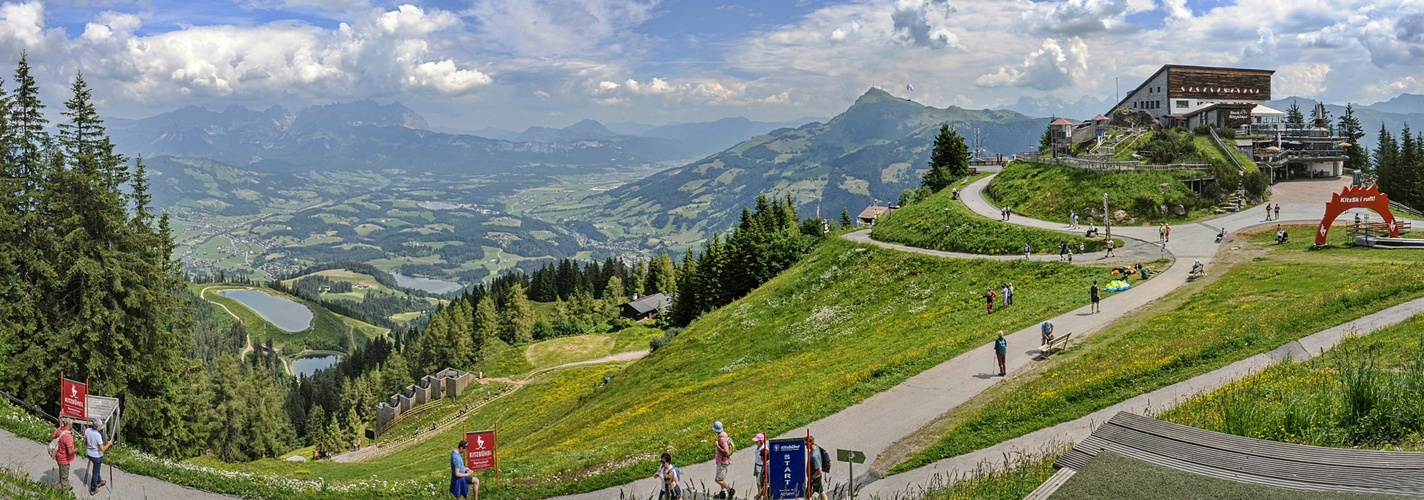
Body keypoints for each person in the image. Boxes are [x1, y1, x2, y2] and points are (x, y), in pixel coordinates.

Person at [83, 418, 109, 496]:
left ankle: (99, 481)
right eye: (100, 426)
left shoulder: (87, 430)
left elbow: (84, 441)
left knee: (97, 470)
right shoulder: (98, 435)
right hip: (97, 456)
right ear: (98, 427)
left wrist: (90, 445)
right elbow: (102, 449)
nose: (101, 427)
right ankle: (93, 489)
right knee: (95, 472)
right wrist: (109, 444)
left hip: (89, 453)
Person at [52, 416, 76, 490]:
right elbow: (69, 452)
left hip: (59, 456)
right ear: (69, 425)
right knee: (65, 474)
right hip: (64, 459)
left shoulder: (59, 430)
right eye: (71, 424)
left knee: (62, 472)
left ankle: (61, 484)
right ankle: (64, 489)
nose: (72, 426)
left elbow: (53, 436)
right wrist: (76, 450)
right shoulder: (67, 436)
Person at [713, 421, 734, 499]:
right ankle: (722, 493)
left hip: (722, 462)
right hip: (723, 461)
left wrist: (717, 446)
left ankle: (730, 490)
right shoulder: (724, 435)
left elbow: (726, 451)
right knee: (722, 478)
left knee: (718, 479)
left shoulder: (722, 439)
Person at [807, 435, 827, 500]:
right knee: (821, 491)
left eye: (806, 444)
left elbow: (819, 470)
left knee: (807, 495)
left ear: (810, 443)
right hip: (817, 477)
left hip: (814, 477)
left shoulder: (813, 456)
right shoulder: (816, 447)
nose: (805, 446)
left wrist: (812, 478)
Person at [752, 434, 769, 500]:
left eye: (757, 441)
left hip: (761, 467)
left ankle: (760, 496)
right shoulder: (757, 447)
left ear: (761, 441)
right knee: (758, 483)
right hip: (757, 466)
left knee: (762, 483)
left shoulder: (764, 449)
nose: (756, 442)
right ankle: (759, 496)